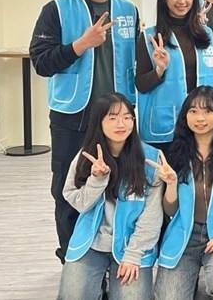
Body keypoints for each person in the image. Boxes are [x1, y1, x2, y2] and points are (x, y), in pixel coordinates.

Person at [29, 0, 139, 264]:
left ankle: (109, 257)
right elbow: (41, 62)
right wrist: (80, 44)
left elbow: (135, 61)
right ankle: (72, 258)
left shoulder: (128, 10)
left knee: (116, 189)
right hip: (73, 117)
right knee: (69, 190)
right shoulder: (57, 9)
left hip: (118, 120)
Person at [57, 93, 162, 299]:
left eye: (126, 117)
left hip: (132, 246)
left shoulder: (151, 159)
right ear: (100, 122)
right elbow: (78, 202)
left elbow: (152, 216)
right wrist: (96, 179)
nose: (120, 123)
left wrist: (133, 255)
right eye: (112, 118)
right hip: (91, 243)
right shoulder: (86, 157)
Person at [154, 86, 213, 300]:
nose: (200, 118)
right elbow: (170, 210)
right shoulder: (175, 154)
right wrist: (170, 184)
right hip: (184, 235)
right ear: (185, 116)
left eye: (208, 111)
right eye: (193, 111)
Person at [135, 0, 213, 155]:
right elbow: (140, 84)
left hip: (201, 123)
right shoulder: (150, 37)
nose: (182, 1)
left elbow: (209, 74)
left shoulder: (206, 34)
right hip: (165, 127)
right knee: (165, 181)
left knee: (195, 182)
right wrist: (159, 70)